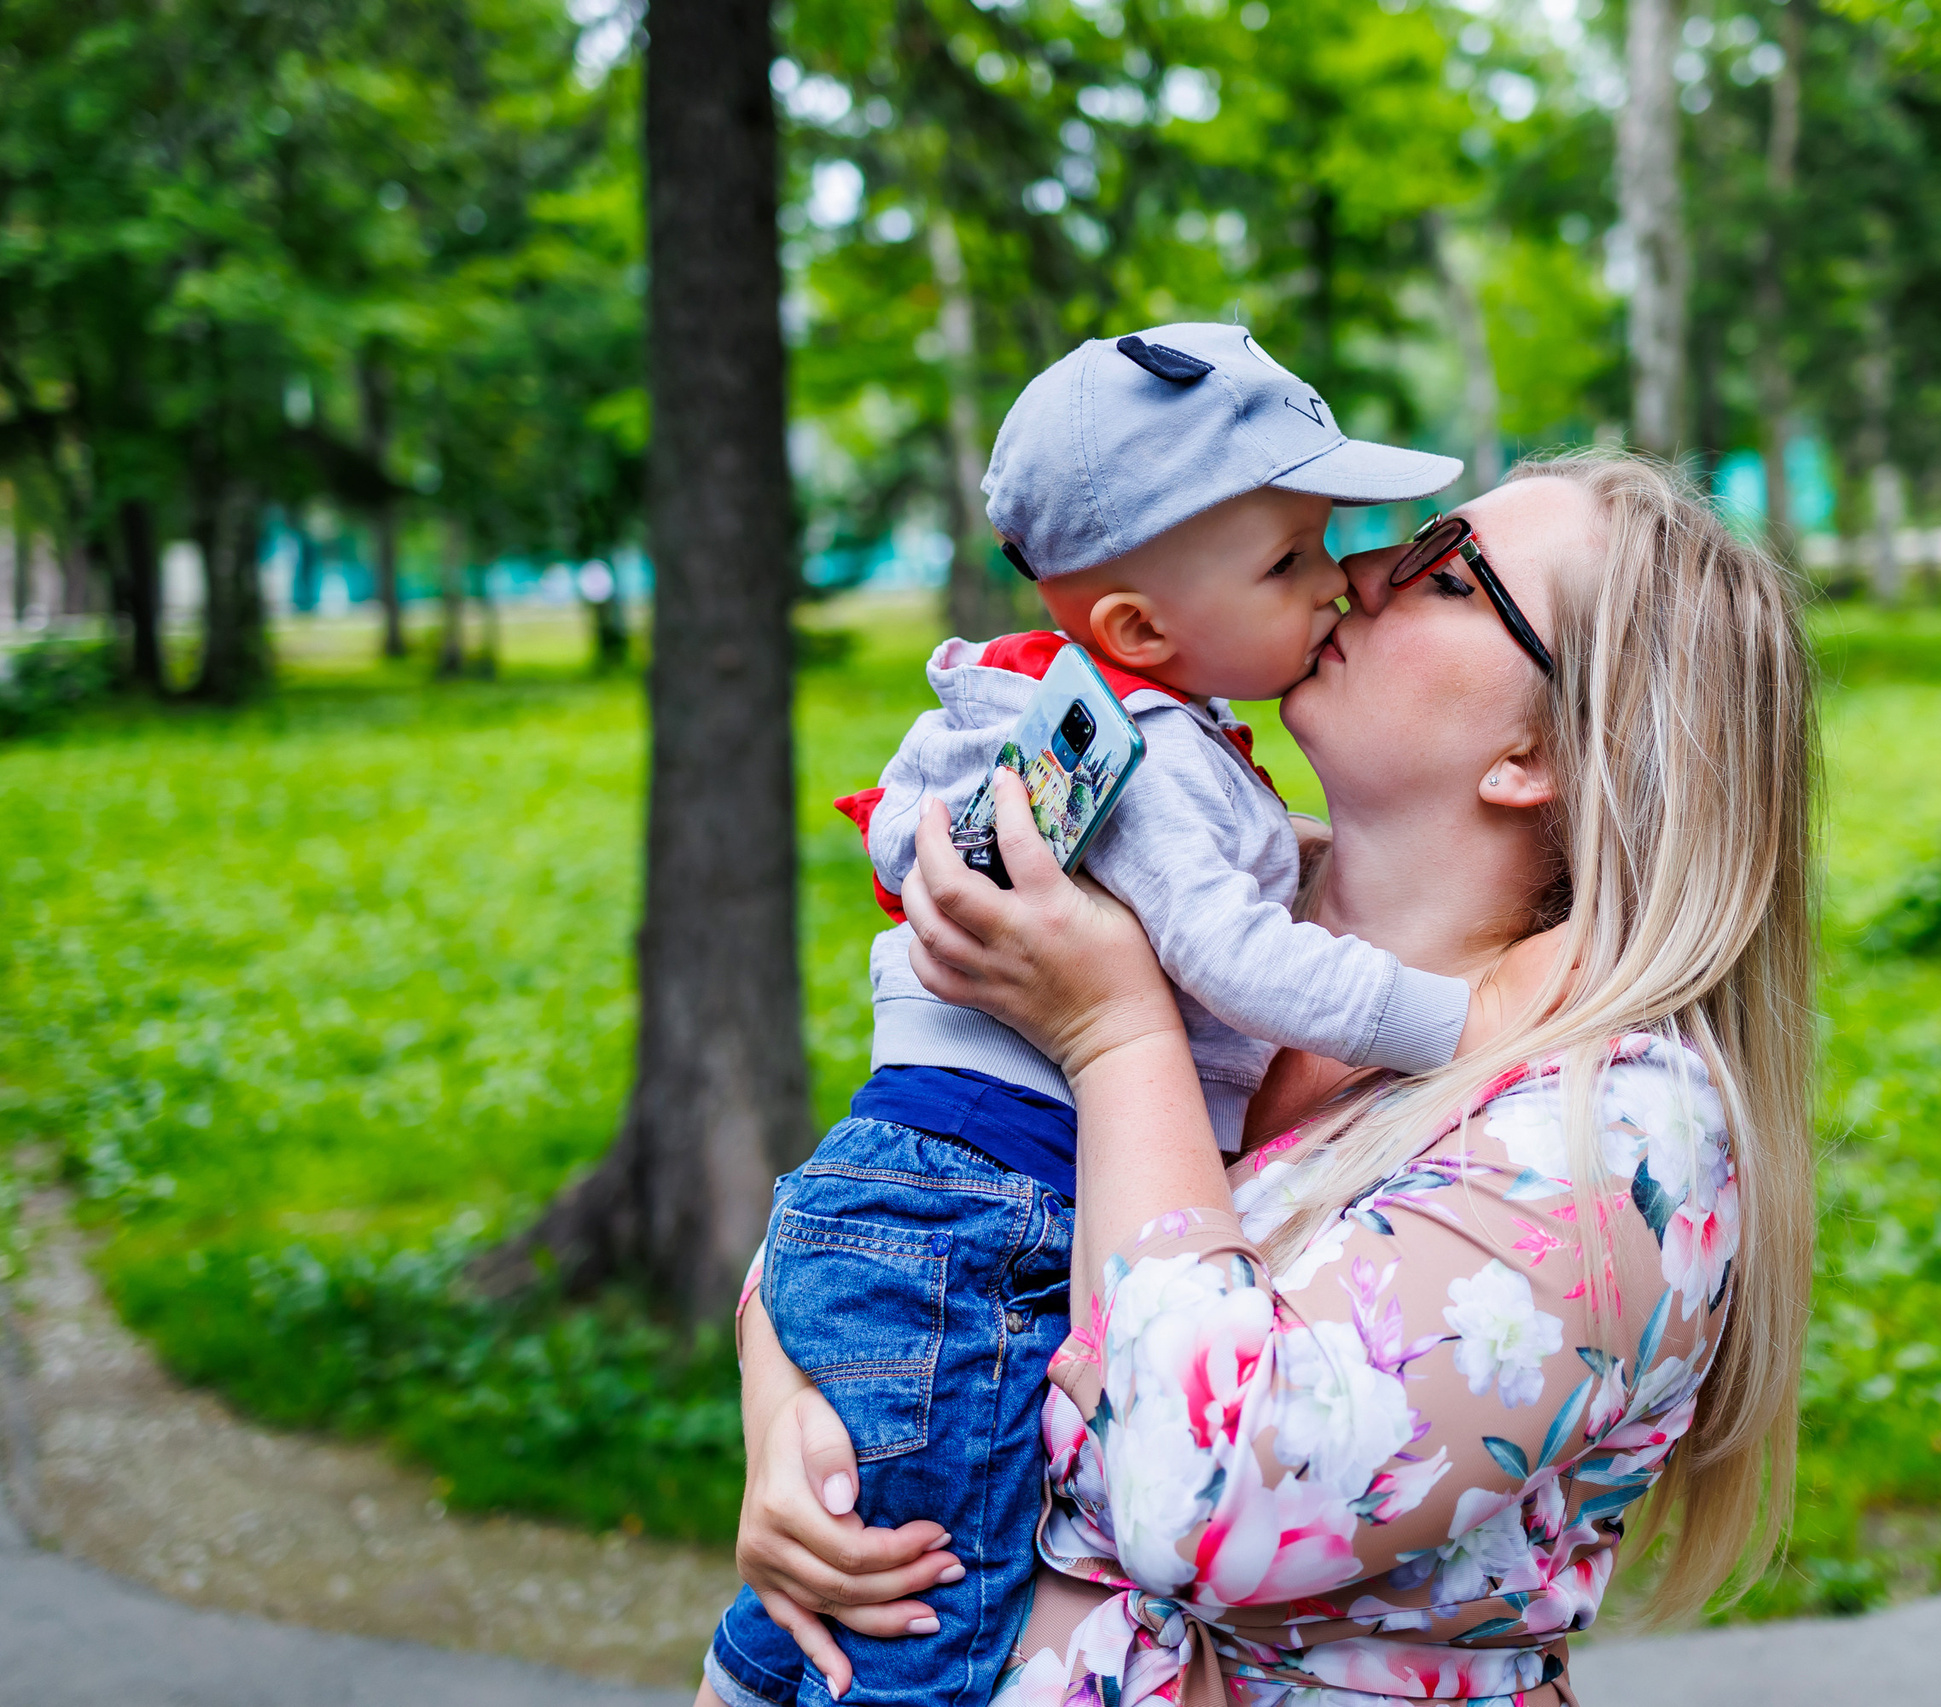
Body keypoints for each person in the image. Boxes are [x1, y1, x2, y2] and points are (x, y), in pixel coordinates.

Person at [707, 452, 1816, 1707]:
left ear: (1540, 752)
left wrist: (1118, 1045)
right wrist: (791, 1415)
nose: (1353, 572)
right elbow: (914, 1189)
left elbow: (1214, 1494)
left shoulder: (1619, 1122)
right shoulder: (1205, 937)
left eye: (1442, 576)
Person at [710, 324, 1507, 1707]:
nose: (1342, 580)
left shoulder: (1062, 711)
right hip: (995, 1201)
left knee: (859, 1572)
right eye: (1293, 559)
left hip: (916, 1191)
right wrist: (1466, 1018)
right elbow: (1241, 959)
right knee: (922, 1614)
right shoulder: (1145, 768)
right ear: (1141, 626)